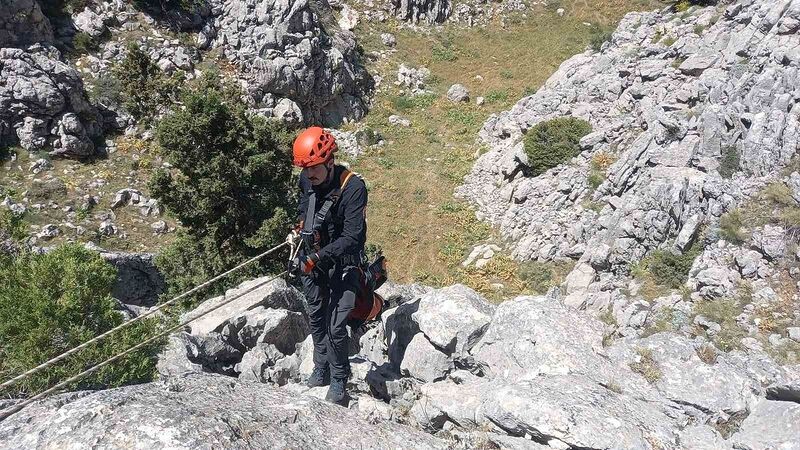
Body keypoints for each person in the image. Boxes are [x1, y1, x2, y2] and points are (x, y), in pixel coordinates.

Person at [290, 126, 368, 404]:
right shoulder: (307, 179)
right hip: (315, 257)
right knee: (316, 315)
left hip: (344, 263)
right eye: (306, 169)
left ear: (330, 162)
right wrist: (301, 226)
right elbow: (304, 204)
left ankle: (338, 380)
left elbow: (352, 237)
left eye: (314, 169)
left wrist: (318, 258)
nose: (309, 176)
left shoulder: (353, 188)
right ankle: (320, 367)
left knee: (336, 325)